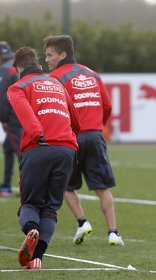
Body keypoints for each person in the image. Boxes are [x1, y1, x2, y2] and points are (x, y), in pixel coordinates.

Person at [44, 35, 124, 246]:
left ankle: (82, 222)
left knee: (66, 186)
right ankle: (113, 233)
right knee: (102, 188)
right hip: (95, 136)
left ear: (63, 54)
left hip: (72, 138)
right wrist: (97, 126)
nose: (46, 59)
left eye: (49, 55)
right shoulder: (92, 74)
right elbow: (107, 106)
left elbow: (55, 109)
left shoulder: (56, 77)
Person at [8, 46, 80, 269]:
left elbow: (25, 113)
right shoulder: (57, 84)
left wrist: (38, 134)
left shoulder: (18, 87)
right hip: (67, 149)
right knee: (50, 209)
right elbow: (75, 119)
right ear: (38, 65)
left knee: (29, 204)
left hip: (38, 147)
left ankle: (31, 229)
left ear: (20, 68)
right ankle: (36, 257)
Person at [0, 41, 22, 197]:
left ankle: (28, 188)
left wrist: (3, 118)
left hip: (13, 118)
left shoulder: (5, 70)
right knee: (8, 149)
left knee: (22, 154)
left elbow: (4, 97)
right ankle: (6, 185)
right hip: (21, 115)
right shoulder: (18, 66)